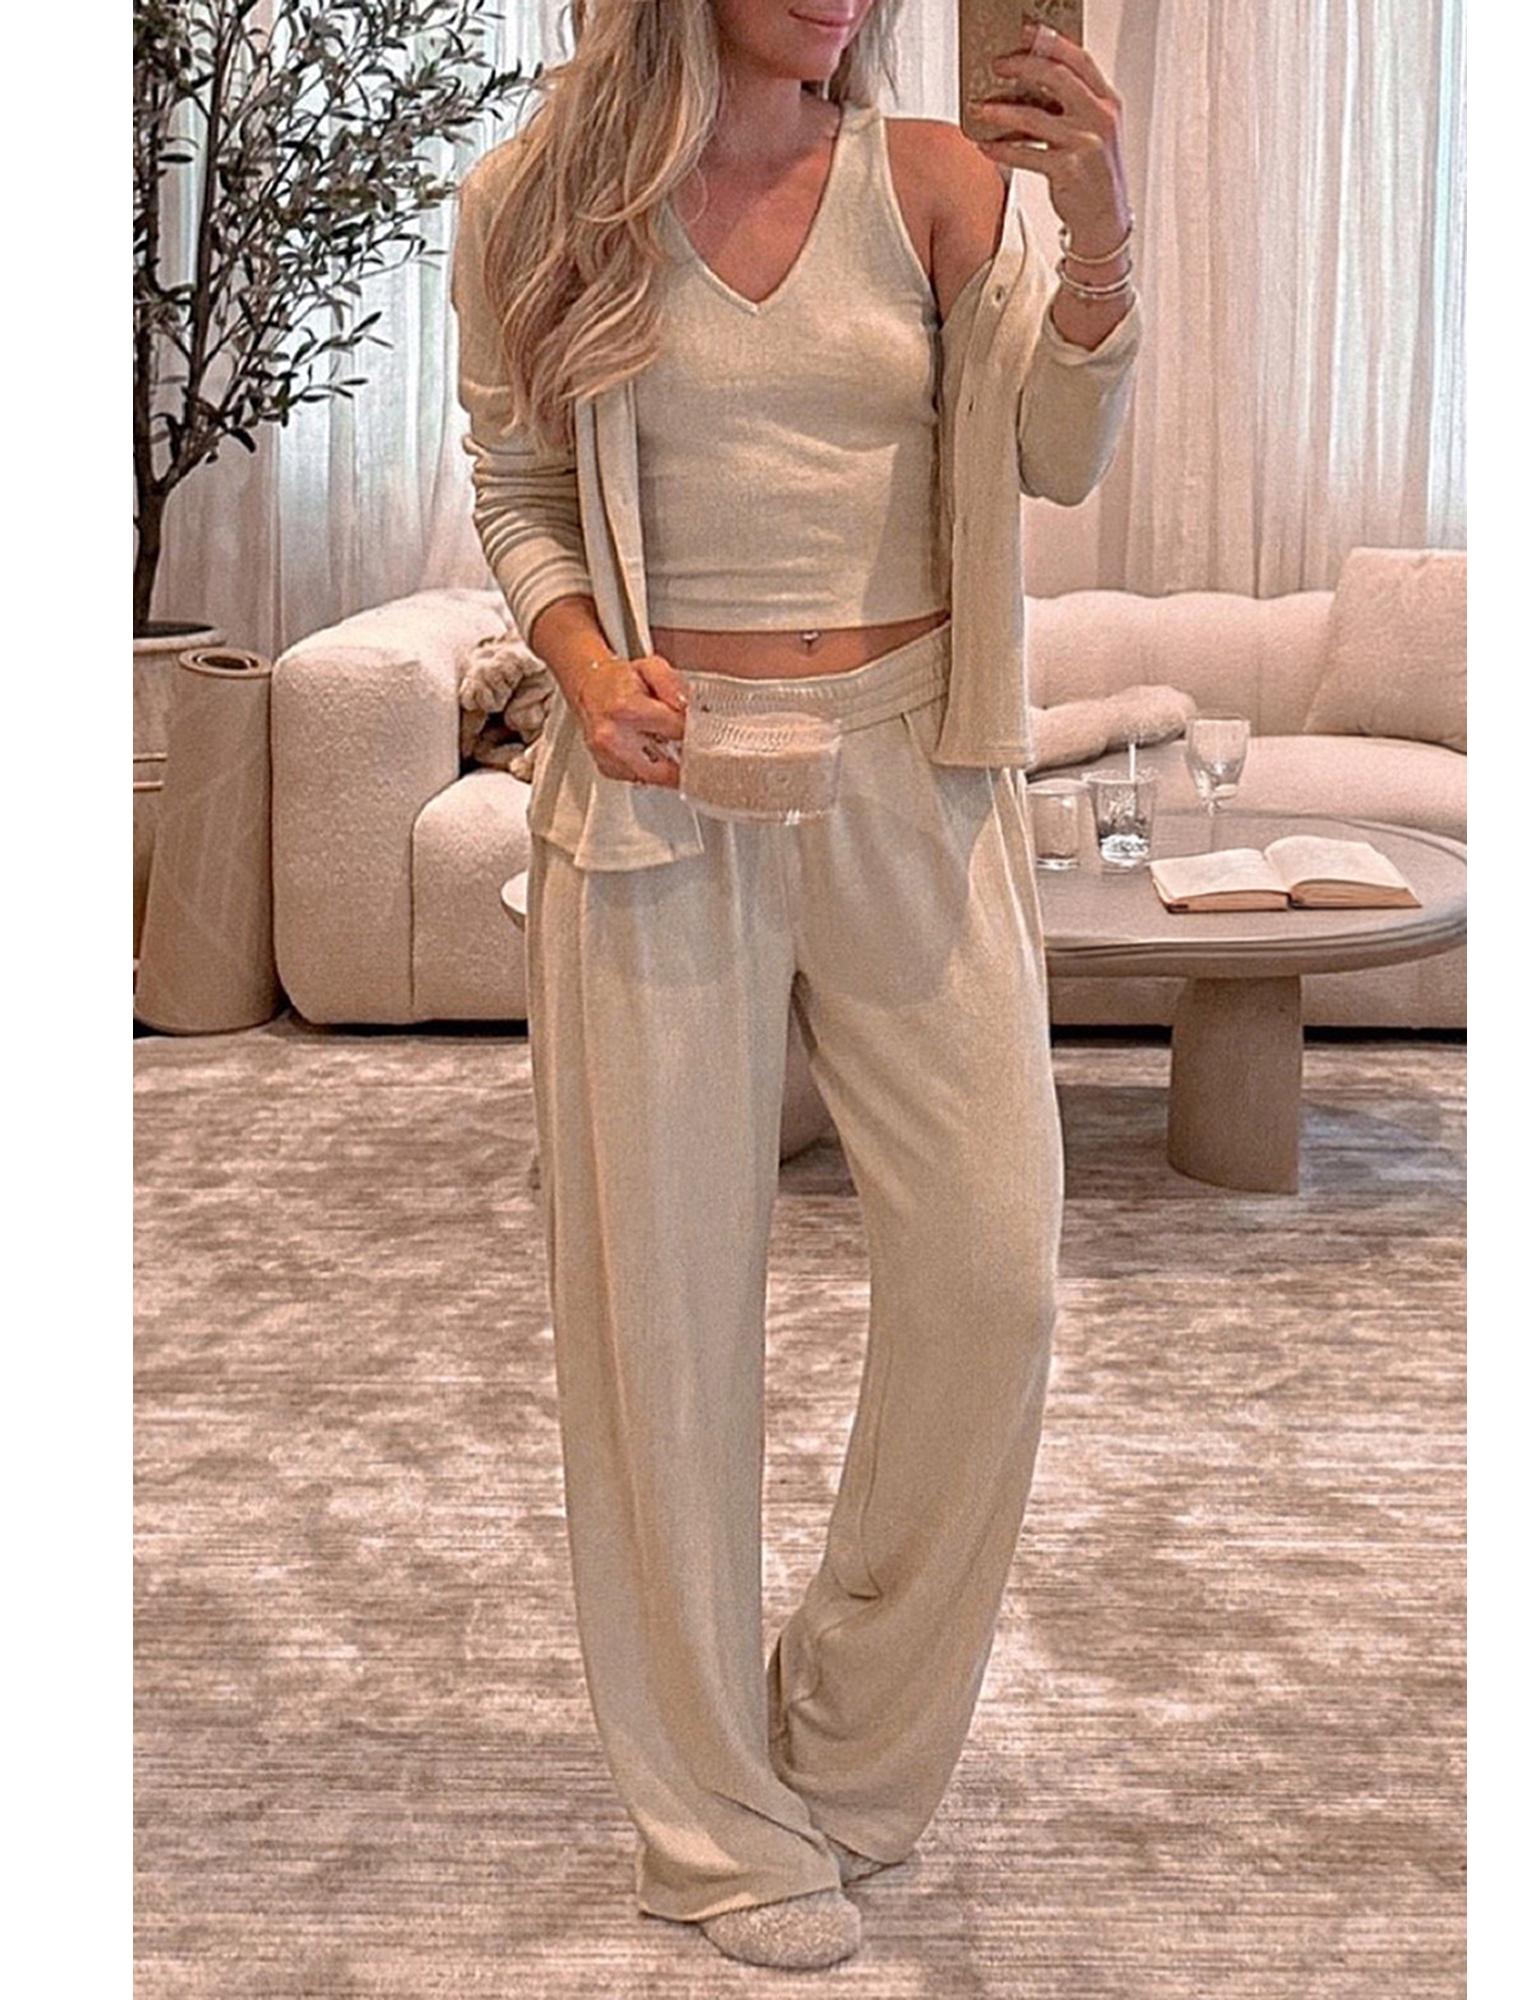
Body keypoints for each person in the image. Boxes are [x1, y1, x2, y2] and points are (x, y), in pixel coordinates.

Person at [450, 0, 1141, 1970]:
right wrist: (586, 669)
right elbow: (515, 487)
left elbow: (1062, 451)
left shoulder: (933, 186)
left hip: (912, 767)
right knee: (659, 1319)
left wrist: (1100, 227)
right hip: (661, 783)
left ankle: (841, 1752)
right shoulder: (539, 198)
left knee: (991, 1269)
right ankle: (710, 1822)